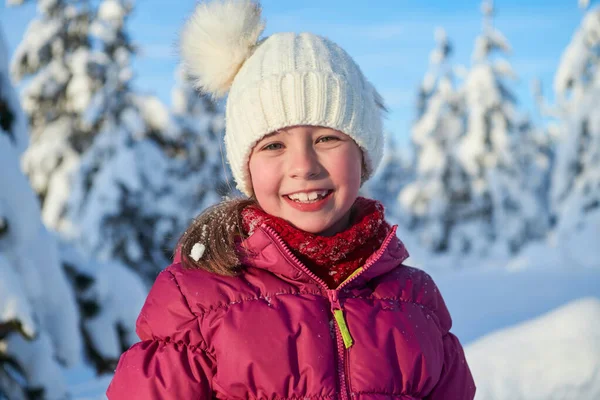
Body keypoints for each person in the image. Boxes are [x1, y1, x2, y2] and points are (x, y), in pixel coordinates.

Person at [106, 0, 476, 399]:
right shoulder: (198, 302)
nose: (304, 165)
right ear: (246, 168)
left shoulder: (414, 302)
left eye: (327, 139)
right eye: (274, 145)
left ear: (364, 155)